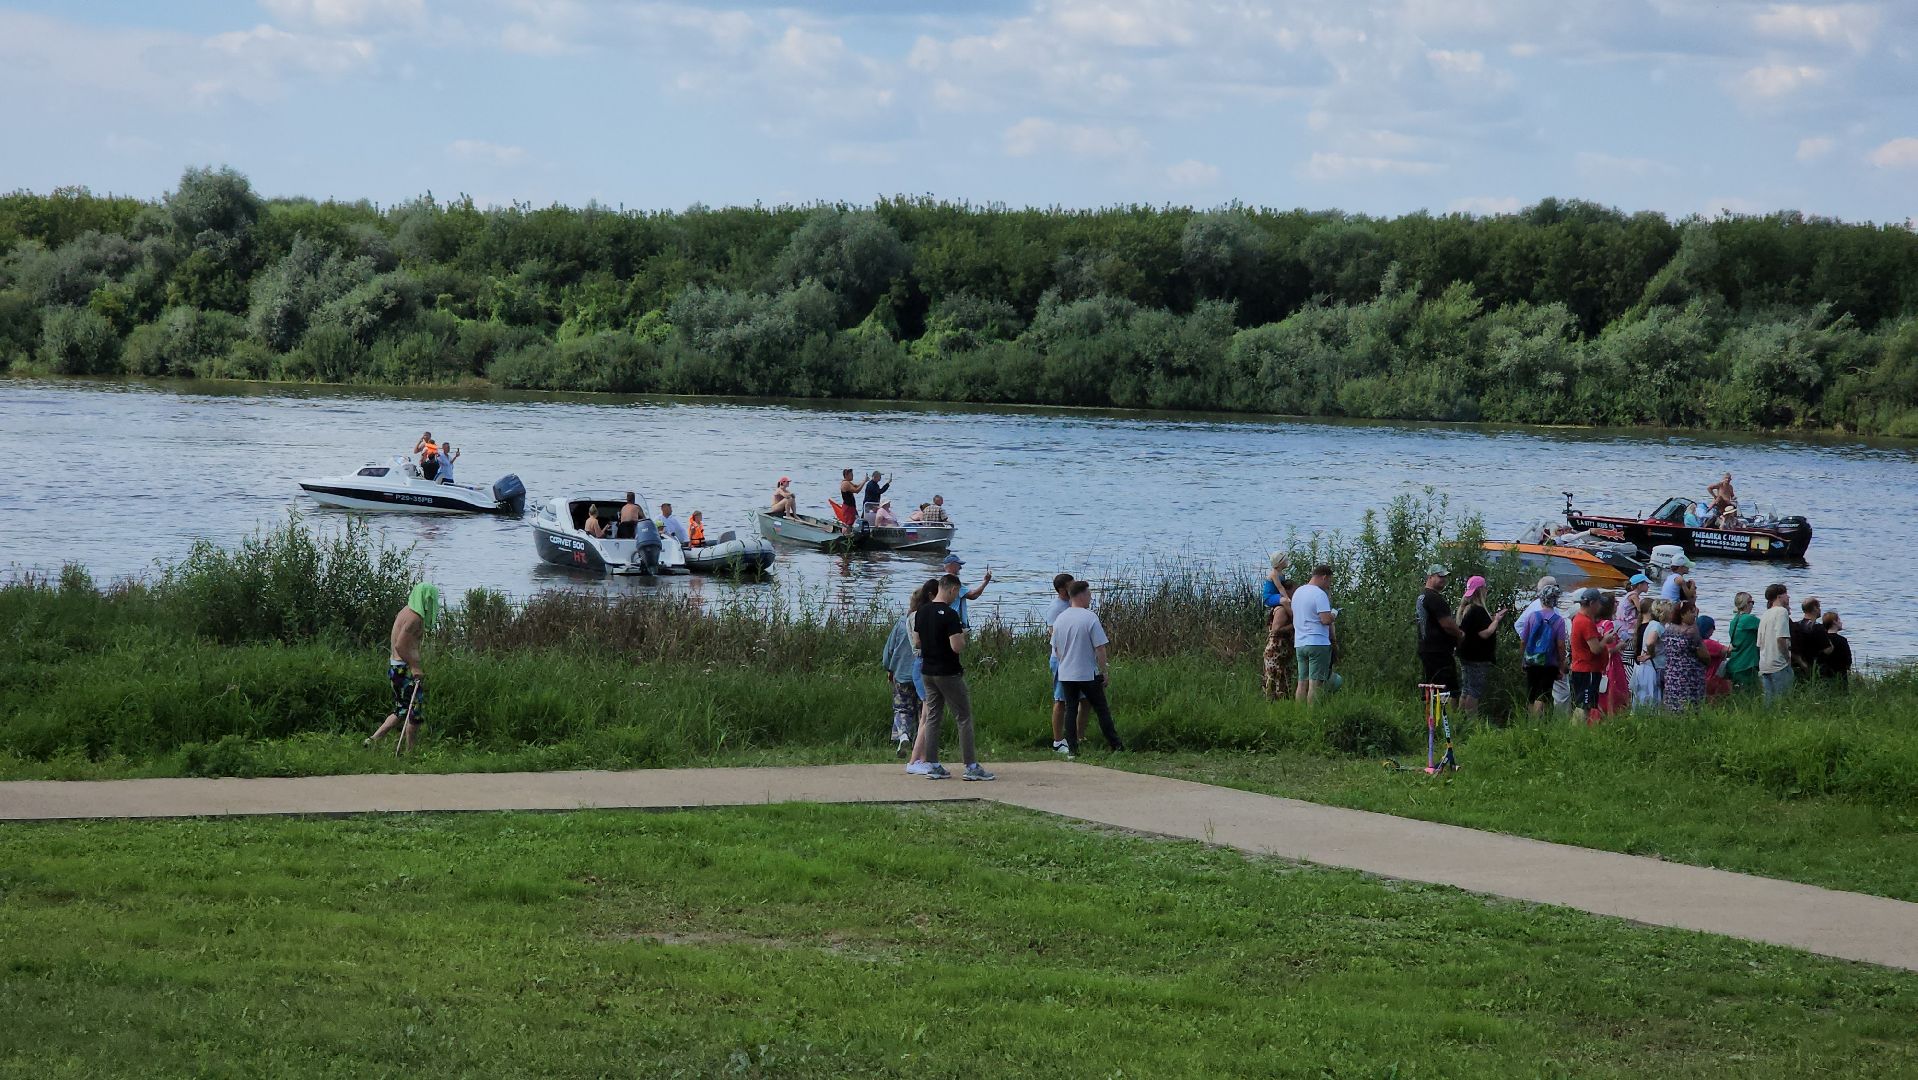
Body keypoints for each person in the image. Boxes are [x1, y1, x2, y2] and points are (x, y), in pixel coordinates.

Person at [909, 574, 994, 781]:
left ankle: (933, 764)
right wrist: (962, 636)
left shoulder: (921, 612)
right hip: (948, 672)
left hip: (927, 671)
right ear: (953, 590)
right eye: (956, 592)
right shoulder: (950, 614)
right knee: (963, 717)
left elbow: (918, 642)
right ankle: (971, 766)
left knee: (933, 717)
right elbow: (956, 647)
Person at [364, 583, 439, 755]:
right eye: (429, 600)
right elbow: (400, 646)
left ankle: (372, 740)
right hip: (404, 670)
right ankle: (410, 753)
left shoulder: (406, 611)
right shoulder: (414, 618)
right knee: (415, 713)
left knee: (401, 710)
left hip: (396, 669)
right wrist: (414, 667)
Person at [1052, 580, 1123, 756]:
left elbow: (1056, 648)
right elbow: (1100, 647)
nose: (1090, 598)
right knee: (1101, 708)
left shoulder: (1061, 618)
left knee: (1070, 709)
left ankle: (1072, 749)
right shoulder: (1089, 617)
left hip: (1066, 672)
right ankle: (1116, 745)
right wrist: (1103, 671)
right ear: (1081, 595)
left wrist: (1066, 661)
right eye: (1089, 595)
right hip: (1086, 673)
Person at [885, 579, 936, 760]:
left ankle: (903, 735)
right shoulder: (929, 620)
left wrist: (889, 668)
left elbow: (889, 649)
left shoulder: (901, 623)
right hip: (923, 672)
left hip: (902, 674)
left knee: (902, 708)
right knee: (924, 709)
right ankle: (921, 744)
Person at [1046, 573, 1088, 751]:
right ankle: (1058, 741)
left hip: (1079, 659)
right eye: (1071, 584)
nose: (1075, 586)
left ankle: (1078, 737)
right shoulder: (1057, 608)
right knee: (1061, 700)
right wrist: (1065, 658)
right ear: (1063, 589)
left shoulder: (1074, 603)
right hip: (1062, 660)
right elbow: (1054, 636)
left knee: (1085, 700)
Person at [1515, 584, 1568, 718]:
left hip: (1532, 660)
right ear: (1555, 600)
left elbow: (1523, 640)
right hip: (1549, 662)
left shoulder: (1532, 616)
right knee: (1543, 694)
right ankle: (1537, 723)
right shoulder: (1558, 621)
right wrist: (1561, 664)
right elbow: (1561, 645)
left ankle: (1529, 723)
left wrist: (1523, 658)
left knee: (1531, 692)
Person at [1455, 575, 1506, 716]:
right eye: (1485, 587)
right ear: (1481, 590)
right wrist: (1496, 620)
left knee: (1466, 688)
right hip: (1477, 657)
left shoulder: (1466, 609)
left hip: (1465, 654)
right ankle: (1471, 720)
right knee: (1475, 690)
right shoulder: (1478, 610)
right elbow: (1485, 633)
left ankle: (1460, 718)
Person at [1568, 587, 1617, 724]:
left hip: (1584, 669)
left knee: (1586, 705)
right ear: (1591, 604)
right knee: (1584, 705)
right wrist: (1606, 640)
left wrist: (1602, 637)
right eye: (1599, 603)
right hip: (1586, 670)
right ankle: (1577, 733)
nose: (1600, 606)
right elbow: (1595, 649)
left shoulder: (1579, 619)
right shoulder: (1585, 622)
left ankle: (1579, 731)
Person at [1415, 565, 1463, 699]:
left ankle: (1429, 713)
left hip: (1426, 647)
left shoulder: (1422, 597)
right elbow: (1446, 624)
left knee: (1430, 684)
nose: (1443, 580)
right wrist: (1460, 634)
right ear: (1430, 577)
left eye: (1445, 577)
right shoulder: (1434, 598)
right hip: (1438, 650)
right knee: (1448, 688)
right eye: (1439, 576)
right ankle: (1445, 716)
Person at [1291, 564, 1338, 704]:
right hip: (1318, 643)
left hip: (1300, 643)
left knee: (1302, 682)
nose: (1328, 585)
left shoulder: (1298, 592)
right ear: (1324, 577)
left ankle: (1299, 714)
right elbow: (1325, 620)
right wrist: (1333, 615)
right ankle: (1312, 715)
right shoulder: (1319, 594)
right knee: (1315, 684)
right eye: (1329, 581)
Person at [1661, 601, 1707, 712]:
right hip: (1689, 677)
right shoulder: (1690, 632)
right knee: (1690, 708)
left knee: (1673, 707)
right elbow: (1705, 657)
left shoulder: (1668, 630)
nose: (1695, 615)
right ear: (1682, 614)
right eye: (1692, 612)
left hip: (1672, 675)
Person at [1758, 583, 1795, 704]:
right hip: (1778, 664)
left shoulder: (1765, 614)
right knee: (1783, 701)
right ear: (1779, 597)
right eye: (1786, 595)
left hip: (1764, 664)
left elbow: (1759, 642)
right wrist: (1787, 657)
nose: (1788, 598)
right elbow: (1781, 638)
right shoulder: (1781, 612)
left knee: (1768, 702)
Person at [1596, 595, 1630, 716]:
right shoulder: (1608, 624)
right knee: (1613, 691)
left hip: (1599, 663)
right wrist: (1621, 645)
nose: (1617, 604)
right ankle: (1612, 716)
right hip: (1612, 663)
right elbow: (1609, 649)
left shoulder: (1597, 622)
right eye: (1615, 602)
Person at [1631, 599, 1668, 709]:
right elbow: (1650, 642)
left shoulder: (1650, 624)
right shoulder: (1657, 626)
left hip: (1645, 667)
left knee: (1643, 698)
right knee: (1653, 698)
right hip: (1653, 667)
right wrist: (1651, 654)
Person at [1263, 590, 1296, 701]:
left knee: (1280, 677)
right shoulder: (1281, 609)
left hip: (1280, 651)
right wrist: (1294, 625)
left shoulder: (1282, 608)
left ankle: (1280, 702)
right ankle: (1276, 702)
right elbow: (1275, 631)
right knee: (1276, 677)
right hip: (1276, 650)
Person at [941, 554, 991, 627]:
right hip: (957, 622)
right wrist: (985, 582)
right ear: (952, 565)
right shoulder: (954, 583)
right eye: (959, 565)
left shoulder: (942, 582)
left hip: (946, 620)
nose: (960, 568)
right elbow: (973, 595)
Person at [1725, 592, 1761, 691]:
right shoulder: (1749, 619)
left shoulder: (1734, 621)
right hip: (1747, 664)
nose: (1752, 605)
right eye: (1752, 602)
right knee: (1751, 695)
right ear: (1746, 603)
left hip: (1734, 662)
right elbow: (1766, 627)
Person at [1793, 597, 1834, 677]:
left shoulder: (1796, 625)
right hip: (1815, 667)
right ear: (1815, 608)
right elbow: (1828, 649)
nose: (1820, 610)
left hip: (1799, 665)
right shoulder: (1818, 628)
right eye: (1819, 607)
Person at [1616, 573, 1649, 667]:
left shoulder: (1628, 594)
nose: (1648, 586)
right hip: (1627, 628)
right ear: (1639, 585)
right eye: (1646, 584)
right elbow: (1641, 610)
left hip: (1622, 626)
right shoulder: (1634, 596)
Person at [1697, 615, 1732, 698]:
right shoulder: (1709, 643)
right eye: (1713, 627)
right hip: (1711, 678)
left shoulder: (1696, 641)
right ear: (1707, 628)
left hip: (1700, 678)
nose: (1714, 629)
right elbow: (1728, 651)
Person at [1819, 612, 1852, 683]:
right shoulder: (1842, 640)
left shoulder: (1822, 638)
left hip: (1824, 674)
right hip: (1840, 674)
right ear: (1834, 622)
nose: (1841, 622)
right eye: (1839, 620)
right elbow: (1848, 659)